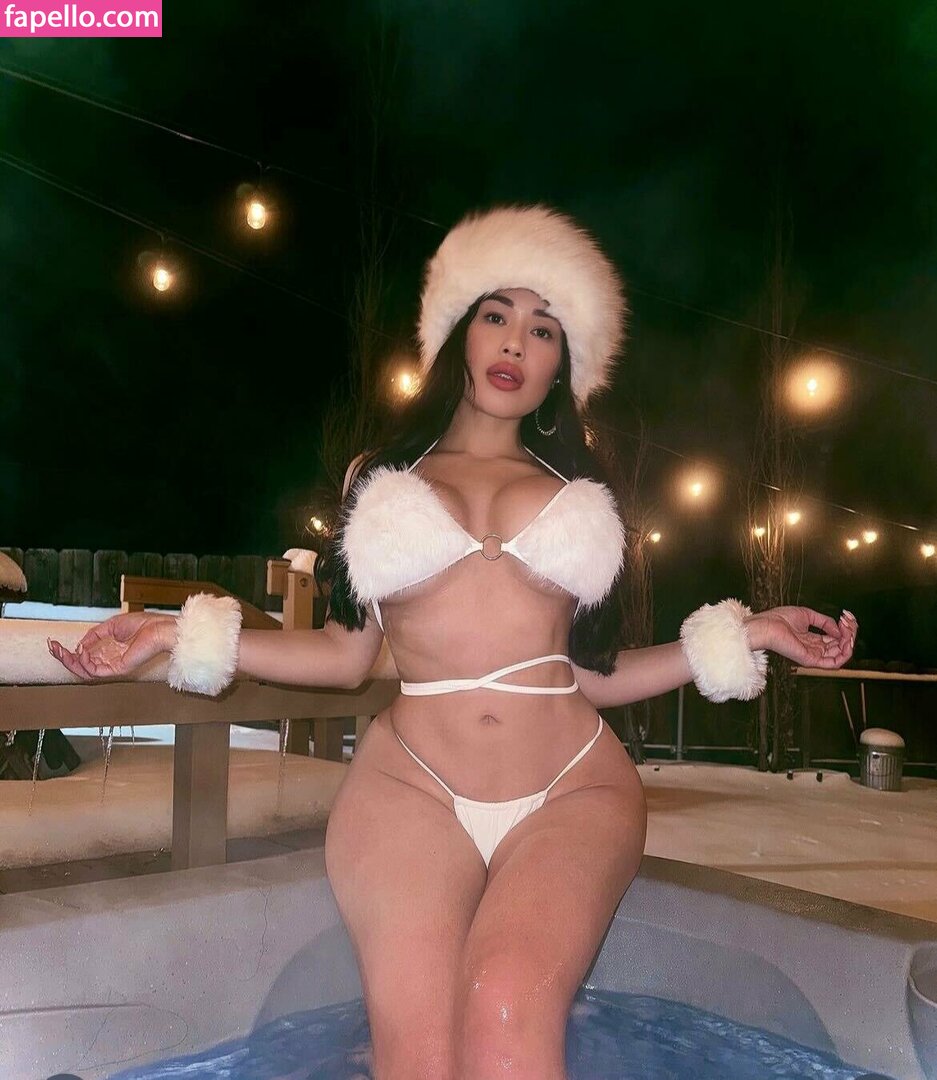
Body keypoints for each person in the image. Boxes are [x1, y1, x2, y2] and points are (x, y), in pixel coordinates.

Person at [49, 205, 857, 1080]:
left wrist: (748, 632)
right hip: (411, 789)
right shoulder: (379, 477)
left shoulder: (581, 490)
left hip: (570, 786)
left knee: (505, 1011)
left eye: (542, 329)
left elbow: (591, 675)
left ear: (563, 363)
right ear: (458, 333)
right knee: (421, 1060)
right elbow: (343, 655)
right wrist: (174, 633)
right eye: (496, 315)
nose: (515, 343)